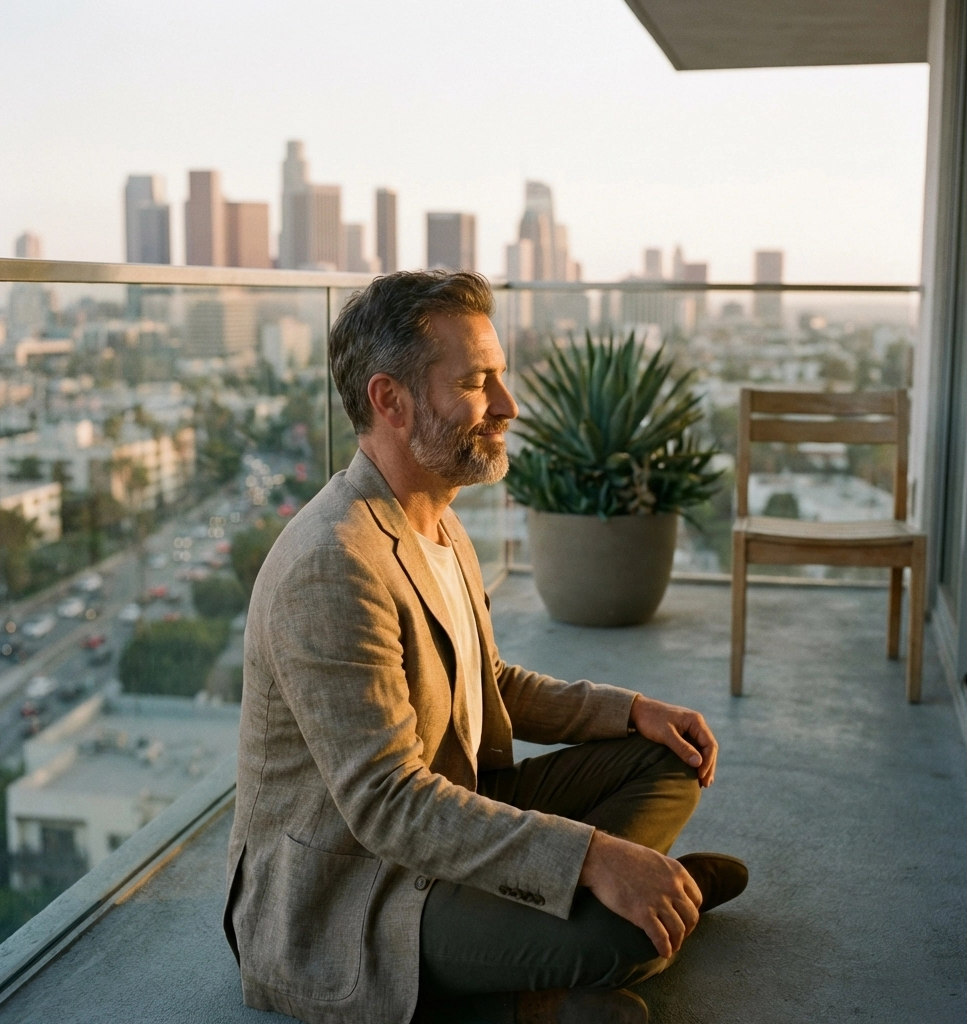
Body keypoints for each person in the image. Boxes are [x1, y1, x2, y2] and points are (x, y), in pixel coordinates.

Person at [224, 271, 747, 1024]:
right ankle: (599, 936)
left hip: (455, 820)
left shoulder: (436, 519)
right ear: (390, 400)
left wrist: (632, 711)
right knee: (620, 941)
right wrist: (592, 857)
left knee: (670, 757)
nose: (508, 404)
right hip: (361, 888)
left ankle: (625, 905)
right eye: (476, 383)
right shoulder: (333, 563)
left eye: (499, 376)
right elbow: (387, 803)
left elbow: (485, 681)